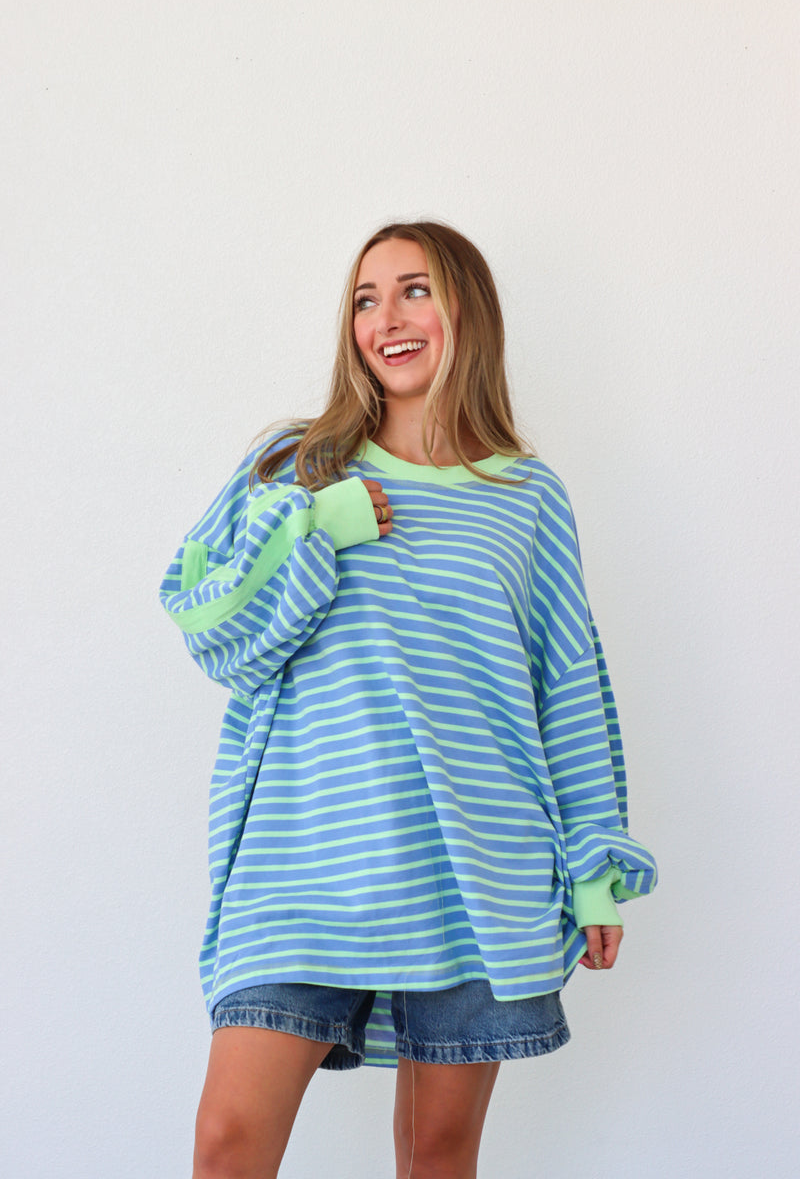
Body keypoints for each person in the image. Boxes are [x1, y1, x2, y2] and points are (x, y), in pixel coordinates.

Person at [160, 221, 657, 1179]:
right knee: (229, 1143)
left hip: (479, 863)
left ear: (467, 308)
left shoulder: (527, 496)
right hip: (308, 855)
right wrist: (321, 527)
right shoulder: (298, 467)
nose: (386, 318)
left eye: (414, 290)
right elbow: (208, 618)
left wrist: (596, 863)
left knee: (435, 1151)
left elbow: (570, 684)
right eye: (364, 297)